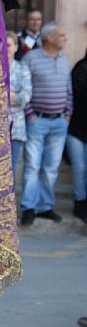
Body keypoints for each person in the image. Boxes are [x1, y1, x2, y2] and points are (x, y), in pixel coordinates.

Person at [20, 22, 73, 225]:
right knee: (32, 165)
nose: (65, 39)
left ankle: (45, 206)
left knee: (51, 167)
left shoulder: (64, 60)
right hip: (37, 120)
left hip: (59, 122)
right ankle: (28, 207)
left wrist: (67, 115)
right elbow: (24, 88)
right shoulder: (31, 58)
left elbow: (68, 91)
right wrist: (31, 115)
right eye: (62, 35)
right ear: (50, 37)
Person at [6, 31, 32, 177]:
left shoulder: (22, 69)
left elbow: (26, 96)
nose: (5, 48)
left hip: (16, 128)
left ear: (16, 47)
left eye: (8, 45)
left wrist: (6, 96)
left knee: (11, 170)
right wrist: (14, 96)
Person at [67, 48, 87, 223]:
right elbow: (76, 94)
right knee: (79, 167)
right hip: (77, 128)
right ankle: (79, 201)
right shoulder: (81, 68)